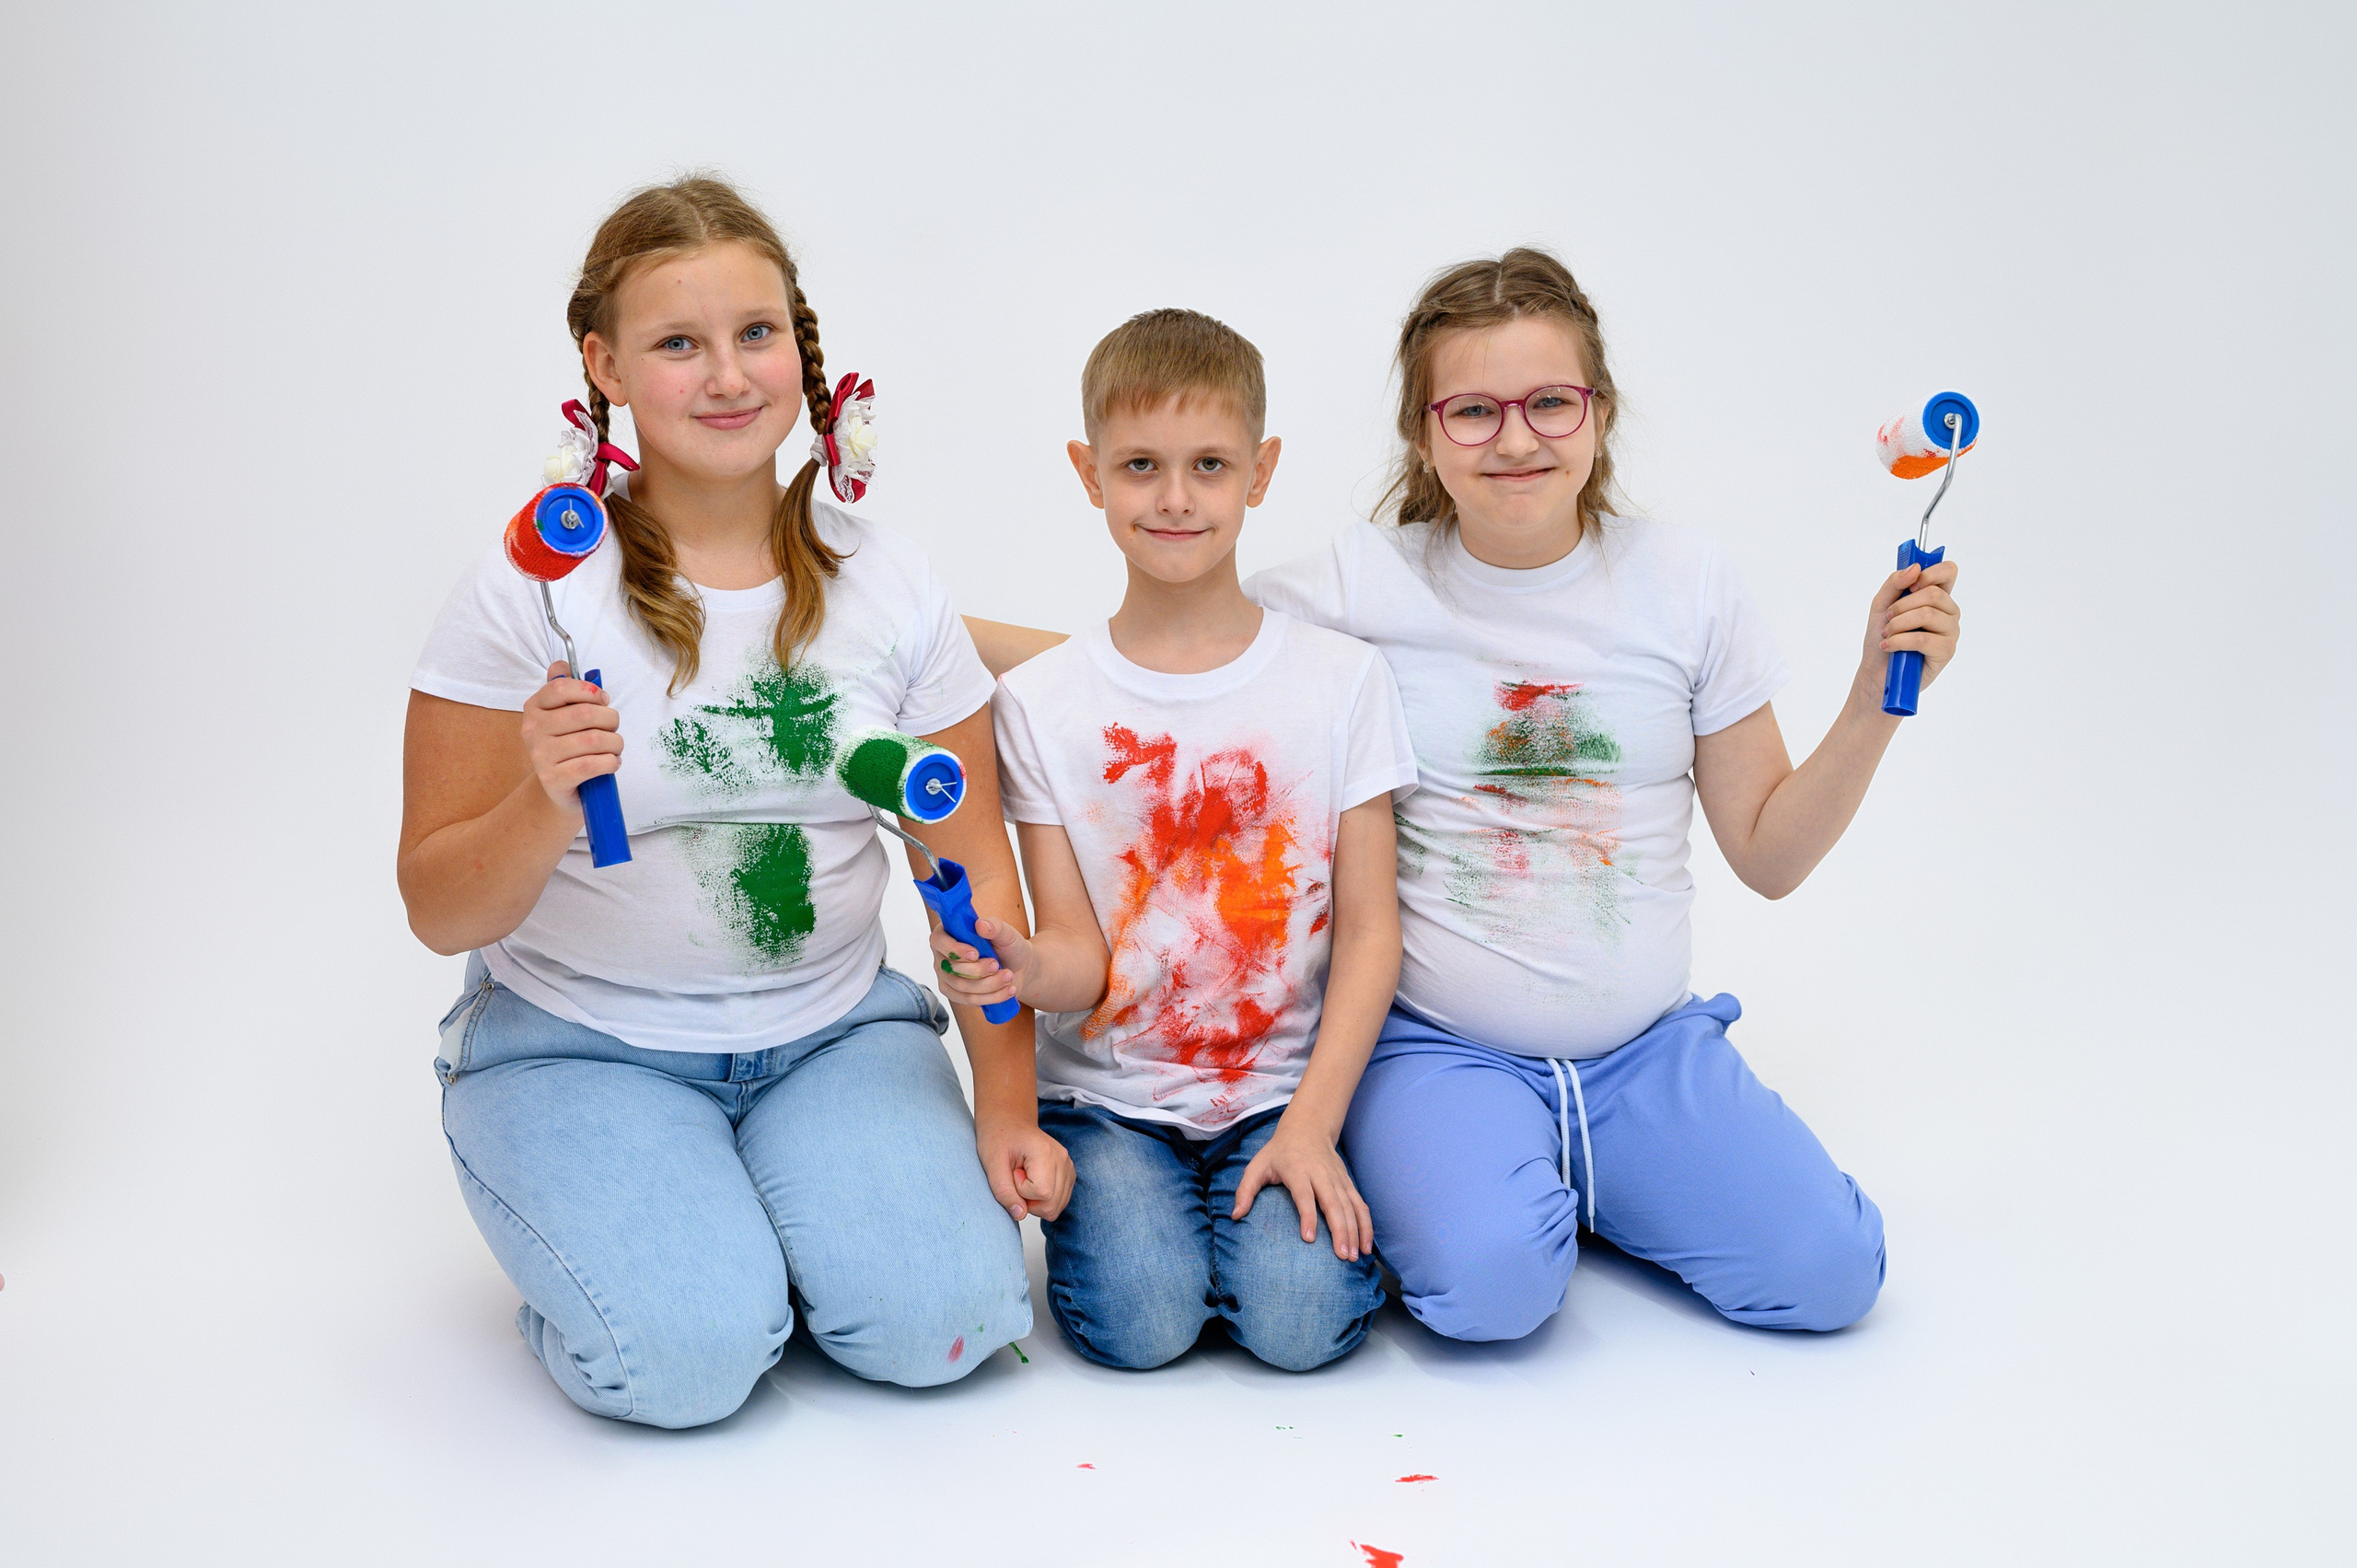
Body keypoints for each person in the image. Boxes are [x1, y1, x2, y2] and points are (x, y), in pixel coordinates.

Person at [971, 249, 1961, 1343]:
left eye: (1549, 402)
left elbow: (1771, 856)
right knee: (1487, 1298)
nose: (1517, 437)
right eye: (1474, 410)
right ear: (1425, 433)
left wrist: (1875, 693)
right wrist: (928, 639)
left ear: (1598, 413)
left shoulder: (1686, 585)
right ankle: (1499, 1179)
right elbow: (1175, 667)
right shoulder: (1361, 583)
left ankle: (1594, 1177)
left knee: (1826, 1280)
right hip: (1440, 1047)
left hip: (1644, 1054)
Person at [399, 176, 1069, 1428]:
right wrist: (543, 799)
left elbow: (966, 874)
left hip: (830, 1031)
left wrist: (1007, 1109)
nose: (726, 376)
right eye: (676, 343)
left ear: (802, 351)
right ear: (602, 363)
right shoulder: (530, 588)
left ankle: (771, 1216)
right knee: (690, 1361)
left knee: (953, 1323)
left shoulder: (891, 584)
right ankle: (662, 1239)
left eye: (756, 334)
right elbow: (438, 903)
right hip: (582, 1039)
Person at [935, 309, 1415, 1372]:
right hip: (1108, 1103)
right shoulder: (1044, 705)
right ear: (1088, 472)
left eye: (1208, 465)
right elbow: (1077, 956)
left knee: (1299, 1330)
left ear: (1261, 470)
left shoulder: (1340, 684)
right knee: (1140, 1327)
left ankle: (1297, 1206)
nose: (1174, 497)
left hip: (1282, 1092)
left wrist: (1314, 1124)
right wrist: (1020, 963)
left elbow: (1374, 931)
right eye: (1140, 465)